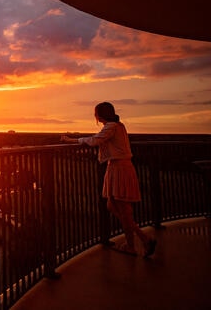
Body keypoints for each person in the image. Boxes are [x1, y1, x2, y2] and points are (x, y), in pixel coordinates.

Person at [61, 102, 157, 257]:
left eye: (95, 113)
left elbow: (94, 140)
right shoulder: (119, 126)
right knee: (112, 205)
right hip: (117, 168)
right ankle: (141, 238)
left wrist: (71, 140)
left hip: (119, 168)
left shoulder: (111, 127)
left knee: (123, 210)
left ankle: (136, 244)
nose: (95, 116)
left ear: (99, 115)